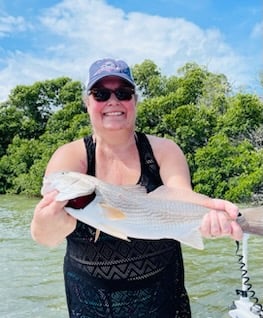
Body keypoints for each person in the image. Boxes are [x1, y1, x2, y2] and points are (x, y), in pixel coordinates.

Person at [31, 58, 243, 318]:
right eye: (100, 94)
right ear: (87, 103)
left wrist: (211, 212)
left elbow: (180, 198)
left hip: (163, 295)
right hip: (90, 300)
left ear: (135, 101)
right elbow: (46, 238)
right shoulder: (70, 157)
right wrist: (50, 220)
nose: (113, 101)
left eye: (123, 93)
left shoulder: (164, 150)